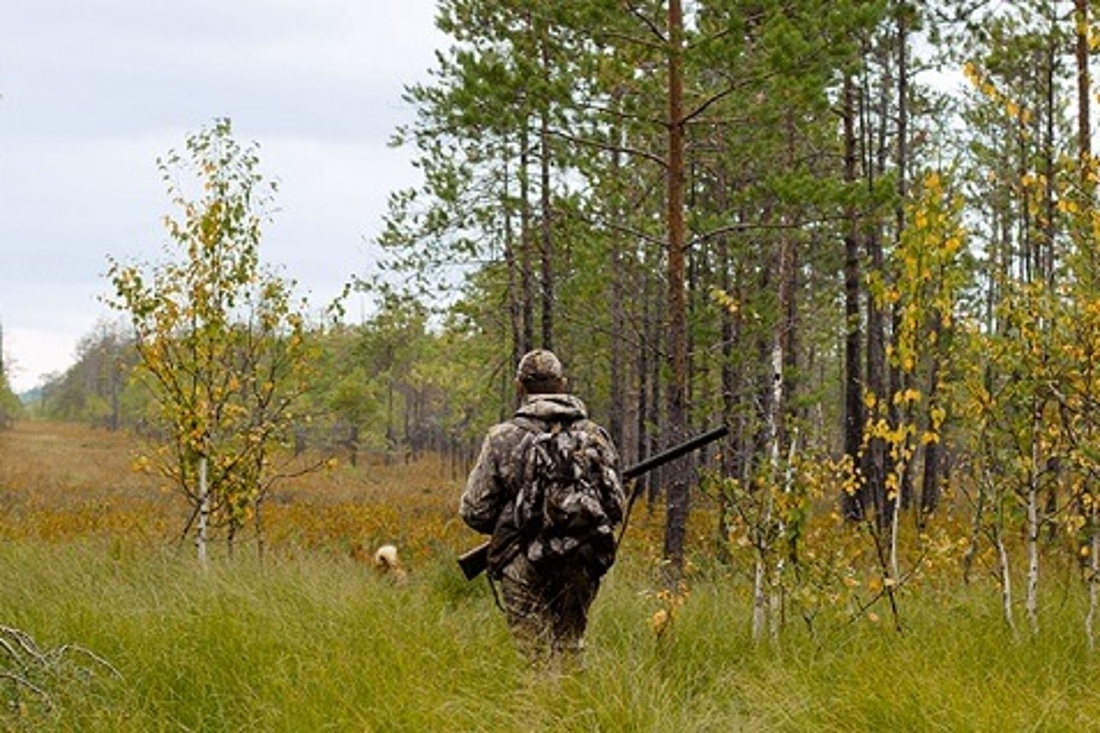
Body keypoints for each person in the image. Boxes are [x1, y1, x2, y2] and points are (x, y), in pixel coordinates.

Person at [460, 349, 624, 667]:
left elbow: (474, 510)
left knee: (531, 655)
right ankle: (573, 713)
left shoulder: (502, 437)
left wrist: (516, 518)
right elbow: (614, 505)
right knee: (570, 647)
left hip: (521, 560)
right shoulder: (594, 436)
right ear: (562, 384)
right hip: (580, 558)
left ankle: (536, 714)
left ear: (519, 385)